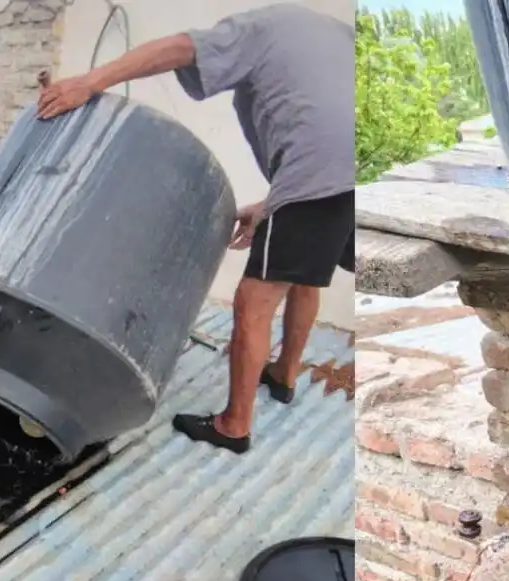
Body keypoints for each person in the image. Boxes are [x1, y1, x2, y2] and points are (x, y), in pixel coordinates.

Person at [37, 3, 355, 455]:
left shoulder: (259, 27)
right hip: (352, 170)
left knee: (253, 301)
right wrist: (271, 205)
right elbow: (323, 128)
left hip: (316, 171)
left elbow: (179, 47)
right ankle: (283, 376)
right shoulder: (335, 35)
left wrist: (89, 82)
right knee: (305, 274)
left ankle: (233, 425)